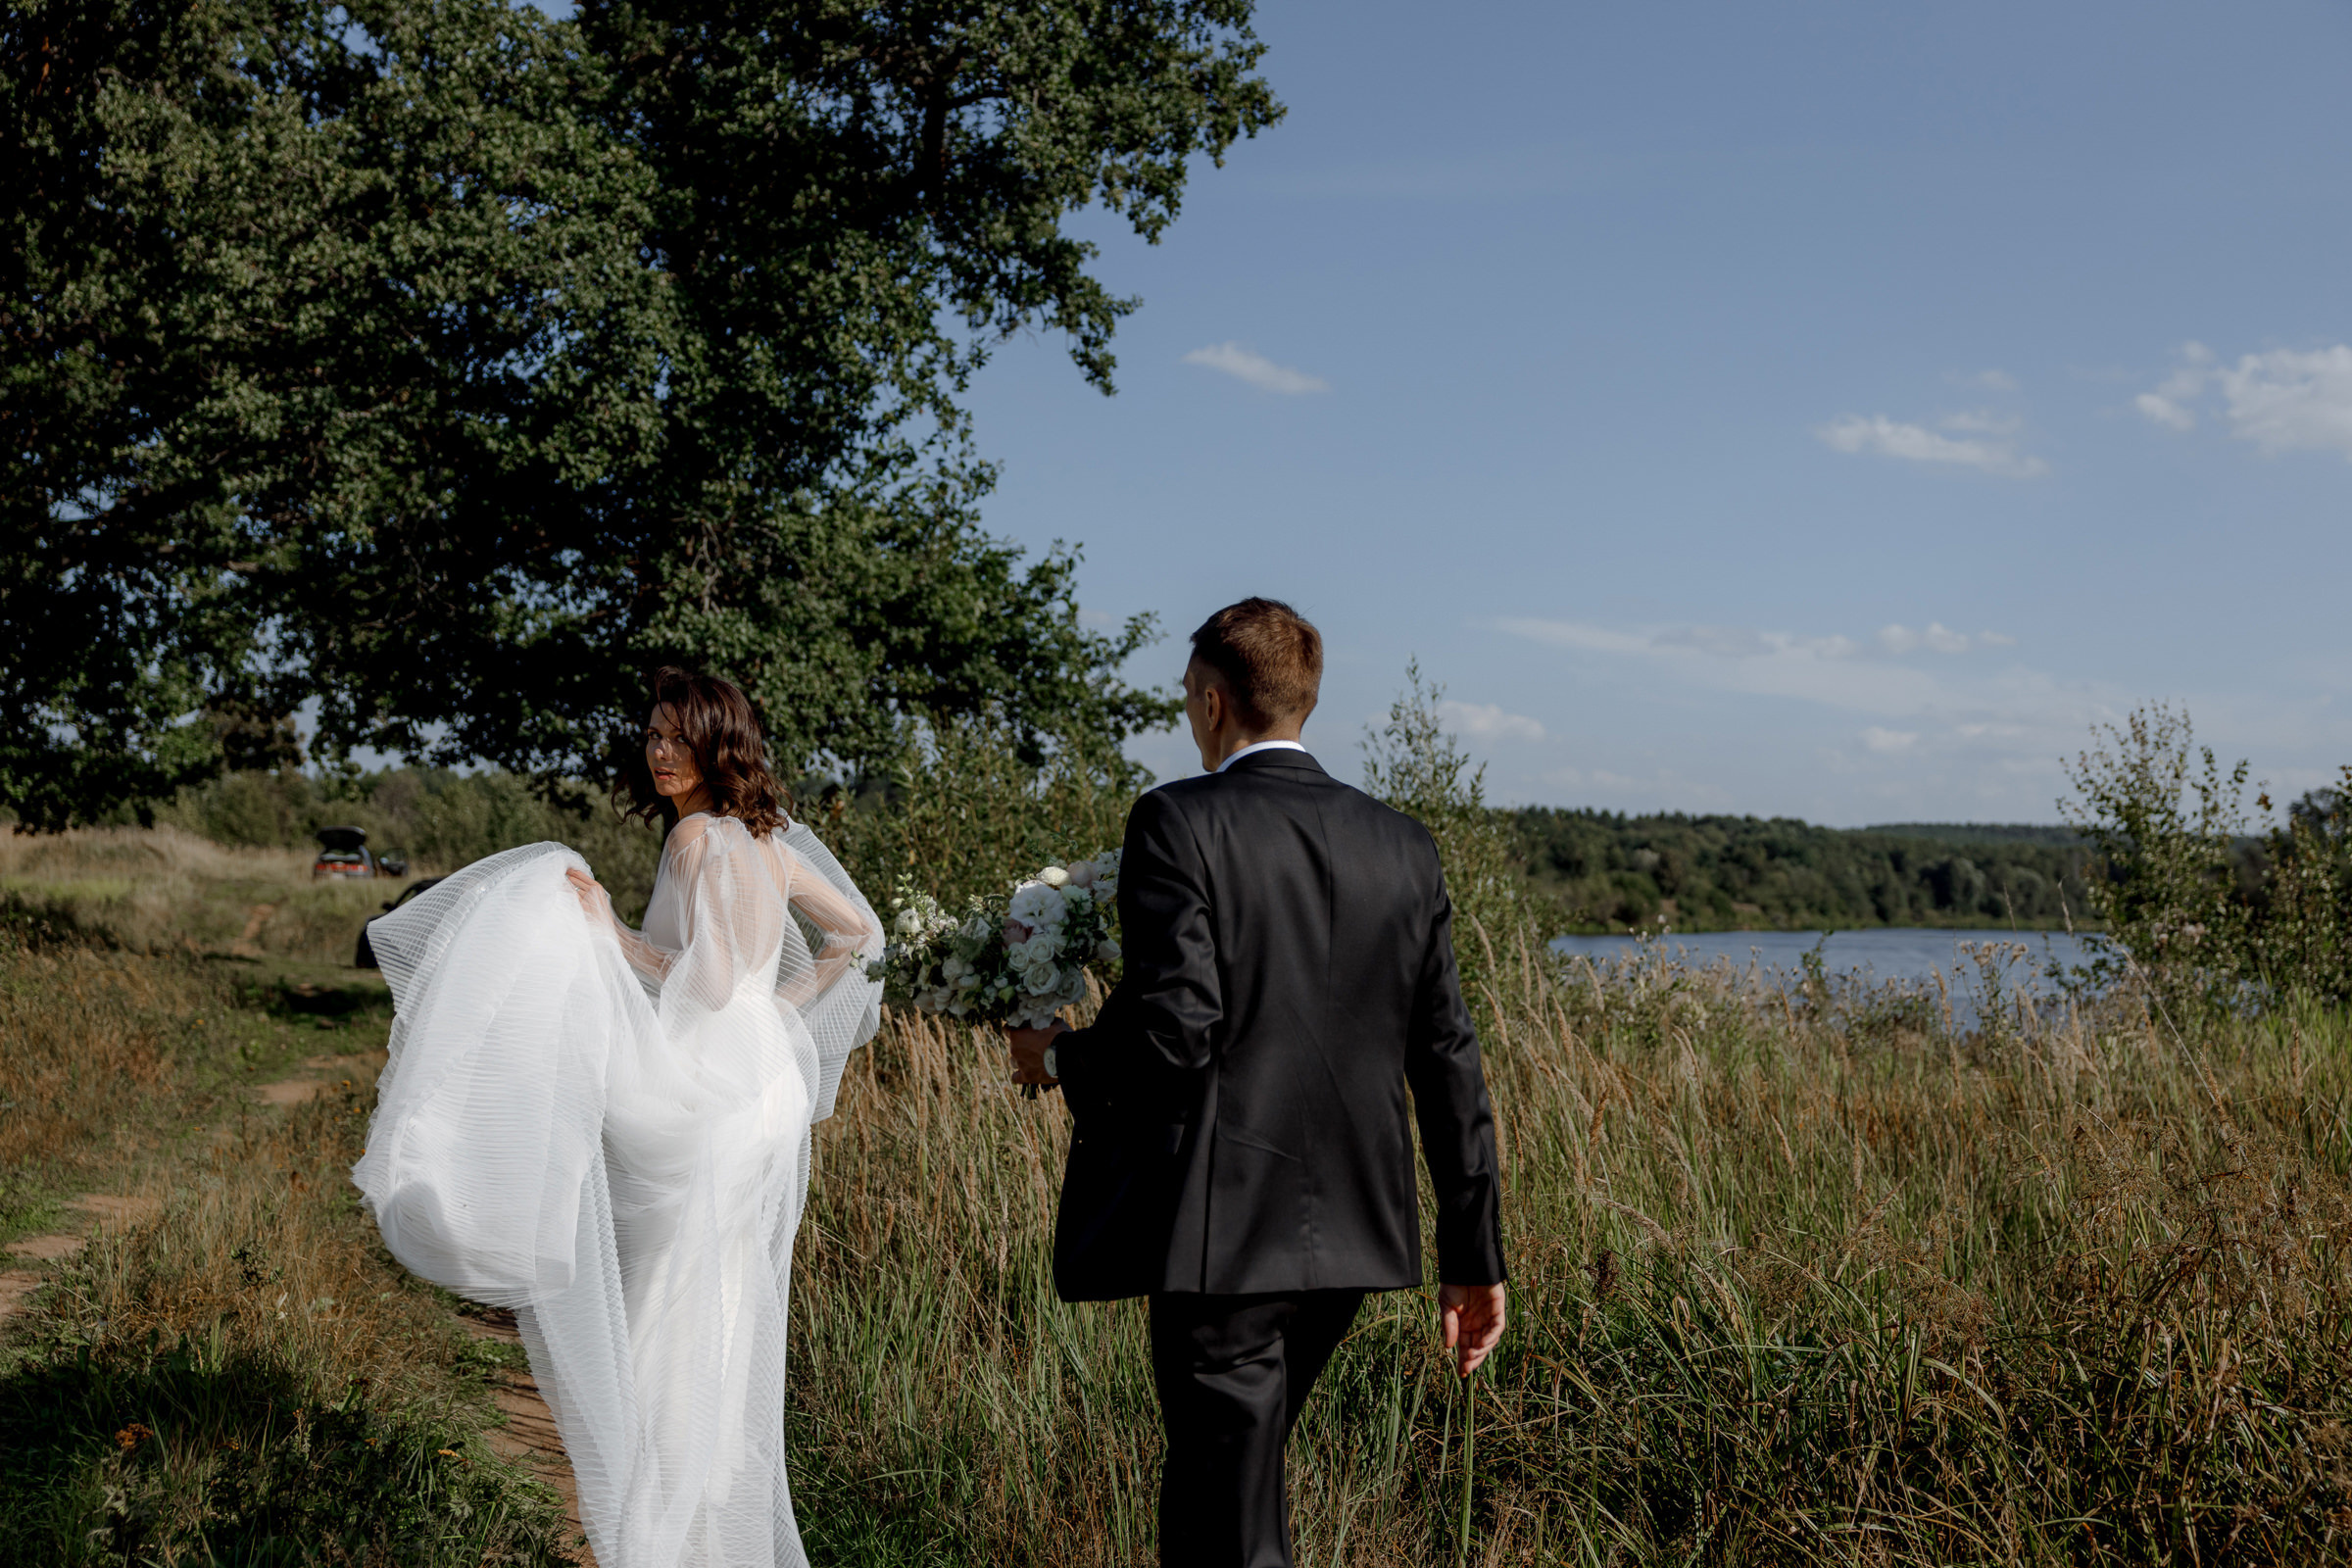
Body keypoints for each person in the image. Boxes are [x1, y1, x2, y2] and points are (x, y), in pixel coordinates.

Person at [1007, 597, 1509, 1568]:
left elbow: (1177, 1028)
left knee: (1223, 1527)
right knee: (1236, 1491)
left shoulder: (1176, 821)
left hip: (1223, 1237)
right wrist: (1473, 1253)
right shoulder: (1402, 843)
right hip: (1356, 1238)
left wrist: (1063, 1055)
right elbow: (1447, 1051)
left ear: (1210, 698)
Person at [354, 668, 882, 1568]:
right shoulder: (772, 845)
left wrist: (607, 931)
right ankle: (706, 1511)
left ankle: (660, 1525)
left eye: (678, 736)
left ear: (718, 742)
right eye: (652, 737)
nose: (661, 752)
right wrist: (781, 1012)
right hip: (762, 1084)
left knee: (664, 1305)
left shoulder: (693, 844)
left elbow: (704, 982)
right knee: (717, 1296)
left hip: (713, 1083)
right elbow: (858, 937)